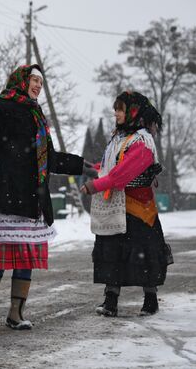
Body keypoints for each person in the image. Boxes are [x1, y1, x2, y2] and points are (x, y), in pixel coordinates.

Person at [0, 64, 84, 330]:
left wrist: (82, 166)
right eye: (34, 80)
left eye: (40, 82)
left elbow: (48, 157)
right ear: (21, 80)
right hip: (3, 195)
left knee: (25, 258)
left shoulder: (37, 114)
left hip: (31, 198)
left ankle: (16, 313)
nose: (37, 85)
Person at [80, 91, 173, 317]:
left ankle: (150, 300)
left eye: (121, 109)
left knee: (143, 254)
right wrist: (88, 167)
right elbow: (110, 167)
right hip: (118, 207)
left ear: (133, 111)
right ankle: (110, 300)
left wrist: (94, 186)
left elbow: (120, 175)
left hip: (139, 210)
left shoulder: (142, 142)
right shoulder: (119, 139)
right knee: (114, 253)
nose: (116, 113)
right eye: (116, 109)